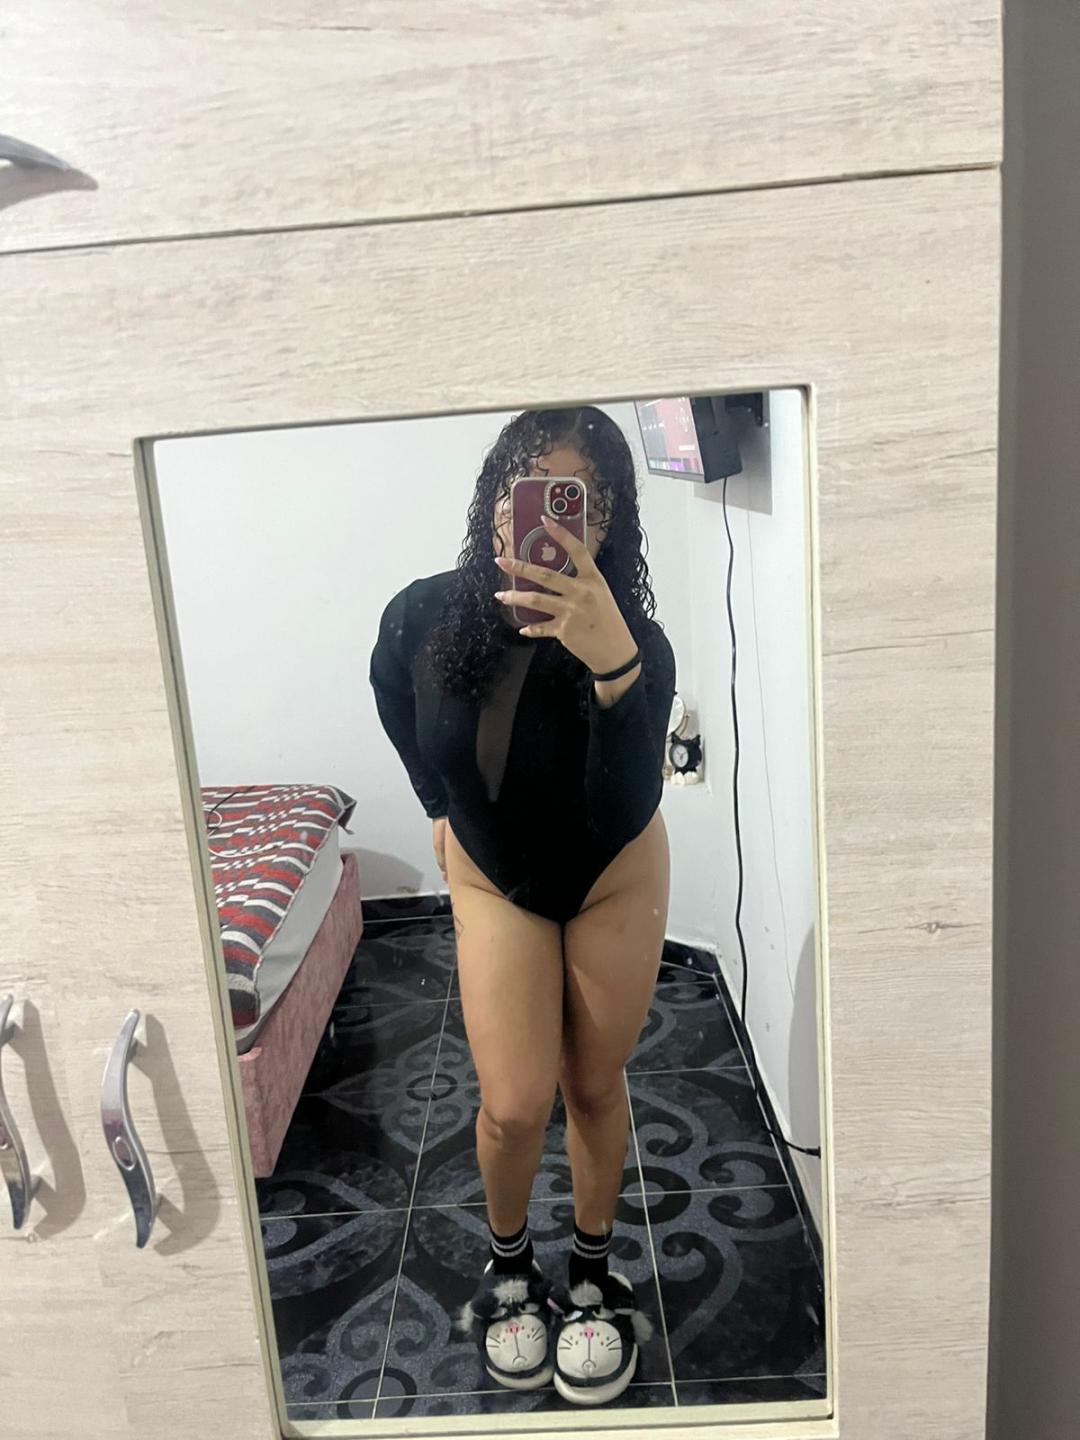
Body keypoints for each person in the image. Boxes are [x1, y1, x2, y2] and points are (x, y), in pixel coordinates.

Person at [368, 407, 675, 1406]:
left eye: (572, 497)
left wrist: (613, 666)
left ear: (605, 520)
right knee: (511, 1103)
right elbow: (388, 688)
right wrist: (433, 802)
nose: (536, 513)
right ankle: (510, 1269)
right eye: (521, 486)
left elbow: (625, 806)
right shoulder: (423, 615)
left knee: (592, 1085)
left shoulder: (637, 642)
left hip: (611, 870)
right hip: (495, 871)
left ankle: (590, 1274)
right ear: (493, 499)